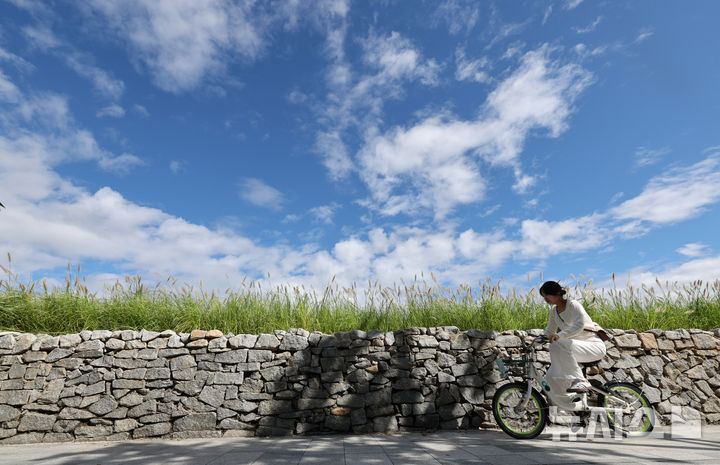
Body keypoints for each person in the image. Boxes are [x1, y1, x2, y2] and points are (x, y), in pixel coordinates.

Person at [540, 281, 606, 403]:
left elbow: (579, 325)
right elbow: (549, 331)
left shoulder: (573, 304)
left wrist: (559, 335)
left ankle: (581, 381)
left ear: (557, 293)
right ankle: (564, 408)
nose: (545, 299)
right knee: (551, 376)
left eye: (547, 295)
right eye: (543, 297)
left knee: (558, 343)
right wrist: (534, 343)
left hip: (592, 345)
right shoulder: (553, 312)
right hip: (574, 347)